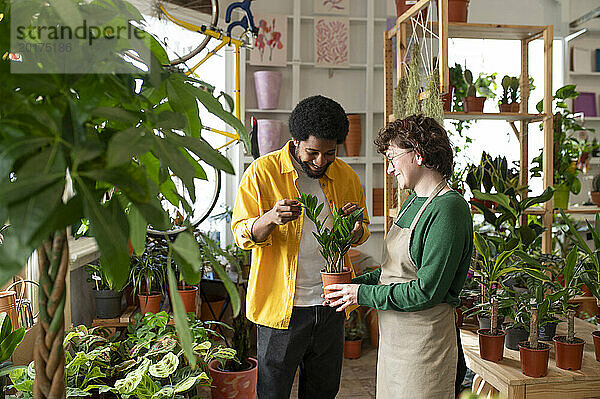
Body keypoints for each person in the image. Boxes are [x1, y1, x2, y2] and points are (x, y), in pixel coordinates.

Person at [324, 114, 473, 398]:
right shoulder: (411, 203)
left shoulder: (449, 210)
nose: (390, 170)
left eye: (393, 158)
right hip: (394, 342)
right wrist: (351, 285)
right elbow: (392, 271)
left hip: (424, 345)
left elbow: (427, 291)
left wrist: (362, 294)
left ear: (417, 154)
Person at [232, 95, 370, 399]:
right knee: (272, 394)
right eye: (312, 152)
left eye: (329, 153)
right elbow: (241, 233)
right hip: (281, 309)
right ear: (296, 141)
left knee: (323, 392)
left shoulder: (346, 176)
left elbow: (362, 231)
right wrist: (268, 219)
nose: (320, 161)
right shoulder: (261, 173)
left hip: (331, 305)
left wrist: (355, 227)